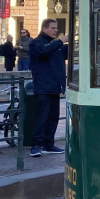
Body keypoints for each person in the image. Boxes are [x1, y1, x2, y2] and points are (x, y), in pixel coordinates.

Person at [28, 18, 68, 156]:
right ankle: (36, 145)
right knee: (42, 117)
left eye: (56, 28)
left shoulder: (56, 46)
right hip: (43, 87)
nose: (55, 30)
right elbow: (43, 51)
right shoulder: (36, 43)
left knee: (53, 117)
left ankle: (48, 144)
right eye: (53, 28)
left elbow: (67, 52)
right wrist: (61, 41)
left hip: (55, 87)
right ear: (44, 29)